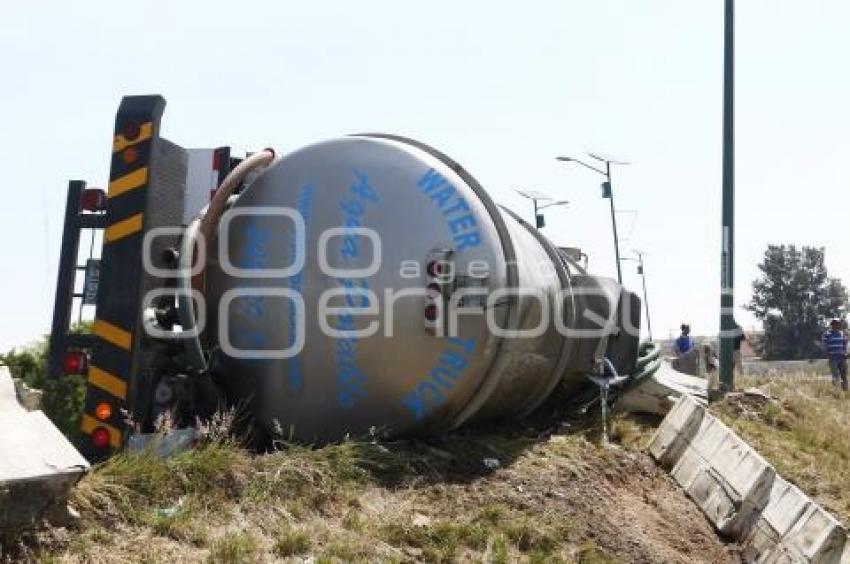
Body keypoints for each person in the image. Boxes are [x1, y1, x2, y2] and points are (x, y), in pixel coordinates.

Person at [822, 319, 848, 391]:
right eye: (837, 324)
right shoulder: (826, 334)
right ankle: (836, 391)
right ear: (832, 325)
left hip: (842, 357)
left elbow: (844, 344)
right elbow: (824, 345)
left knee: (844, 376)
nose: (838, 325)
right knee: (835, 375)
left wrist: (845, 353)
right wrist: (827, 354)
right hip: (833, 357)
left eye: (839, 324)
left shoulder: (841, 333)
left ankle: (845, 391)